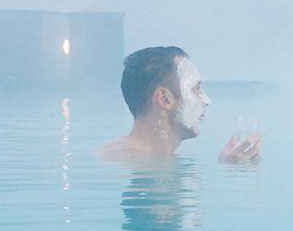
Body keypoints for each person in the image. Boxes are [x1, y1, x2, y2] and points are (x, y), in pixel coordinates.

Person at [98, 46, 261, 163]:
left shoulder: (165, 158)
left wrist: (229, 165)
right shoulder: (119, 160)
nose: (207, 100)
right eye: (196, 89)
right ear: (164, 99)